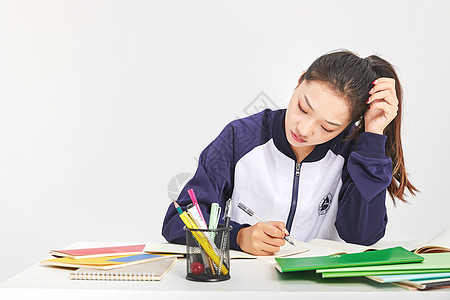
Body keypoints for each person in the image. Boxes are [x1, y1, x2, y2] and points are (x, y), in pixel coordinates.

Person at [162, 49, 418, 256]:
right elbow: (177, 221)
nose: (304, 129)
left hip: (321, 289)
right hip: (244, 288)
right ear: (299, 81)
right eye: (303, 108)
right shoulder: (240, 138)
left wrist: (373, 136)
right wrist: (238, 237)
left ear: (349, 124)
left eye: (328, 127)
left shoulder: (354, 151)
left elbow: (361, 237)